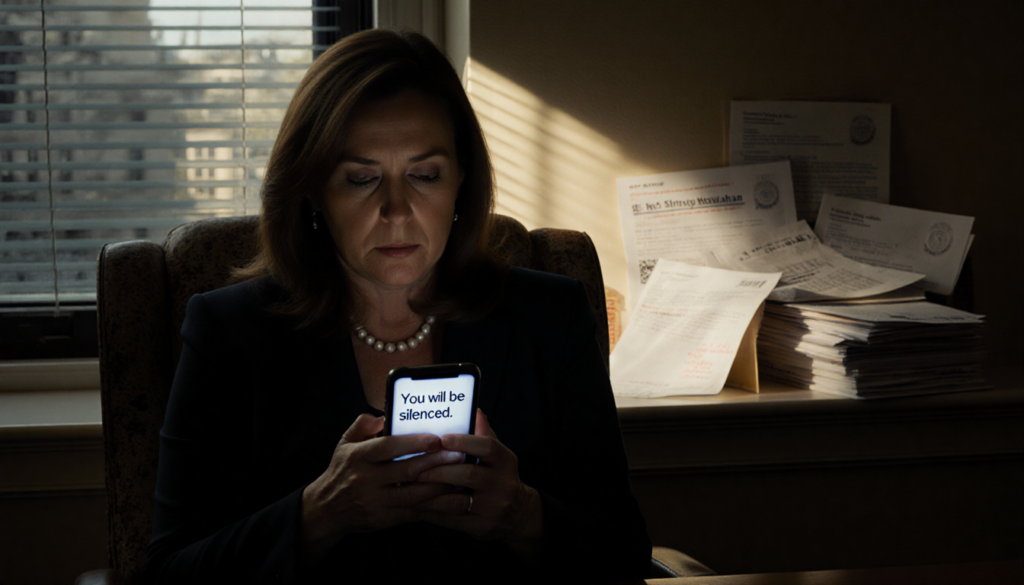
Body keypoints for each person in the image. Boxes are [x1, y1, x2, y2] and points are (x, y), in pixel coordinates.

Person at [144, 29, 651, 584]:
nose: (397, 209)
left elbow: (623, 557)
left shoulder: (550, 317)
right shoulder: (229, 331)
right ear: (312, 191)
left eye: (425, 175)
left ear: (462, 181)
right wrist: (318, 514)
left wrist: (521, 514)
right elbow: (169, 572)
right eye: (361, 179)